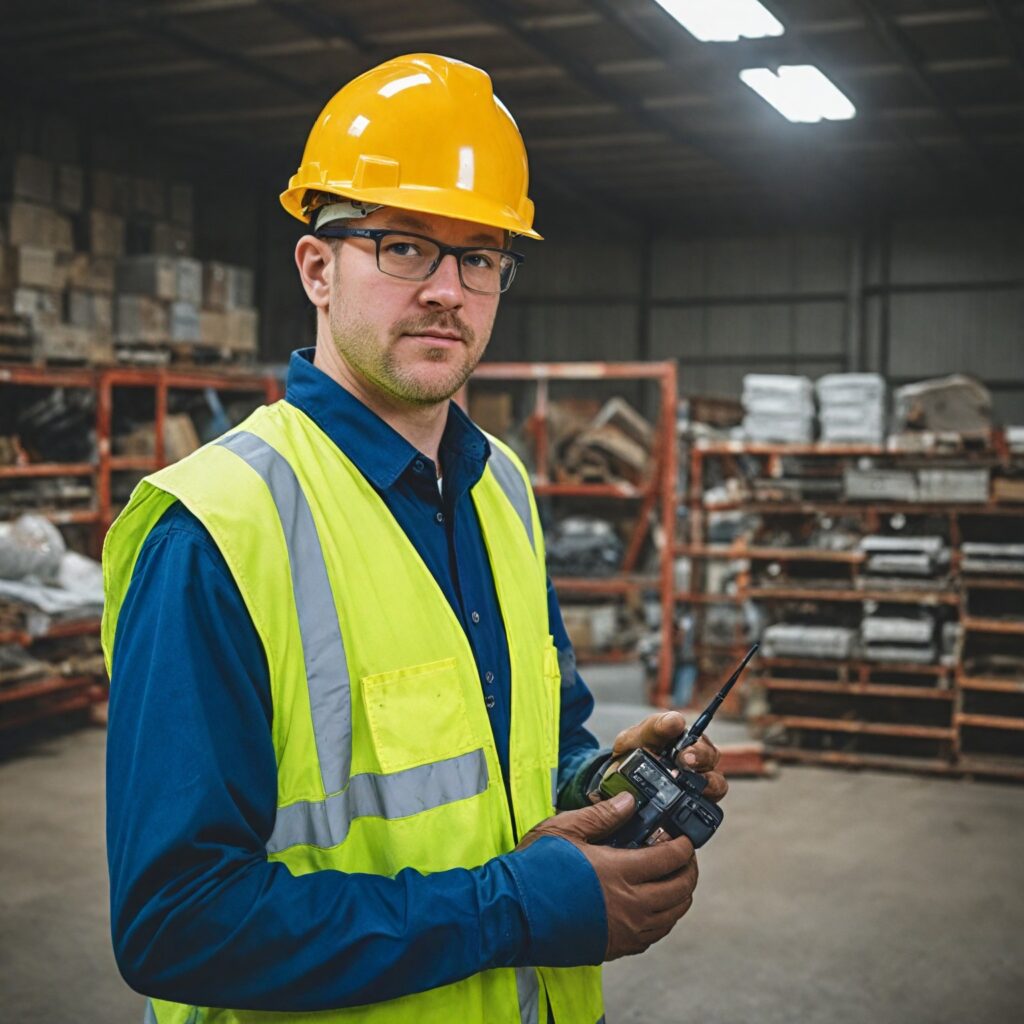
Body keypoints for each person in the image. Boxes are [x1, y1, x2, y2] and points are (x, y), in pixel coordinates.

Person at [103, 53, 727, 1024]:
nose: (448, 288)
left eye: (480, 255)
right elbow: (176, 922)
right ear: (317, 266)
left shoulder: (502, 490)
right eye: (404, 246)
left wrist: (602, 778)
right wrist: (518, 904)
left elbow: (516, 748)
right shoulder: (217, 531)